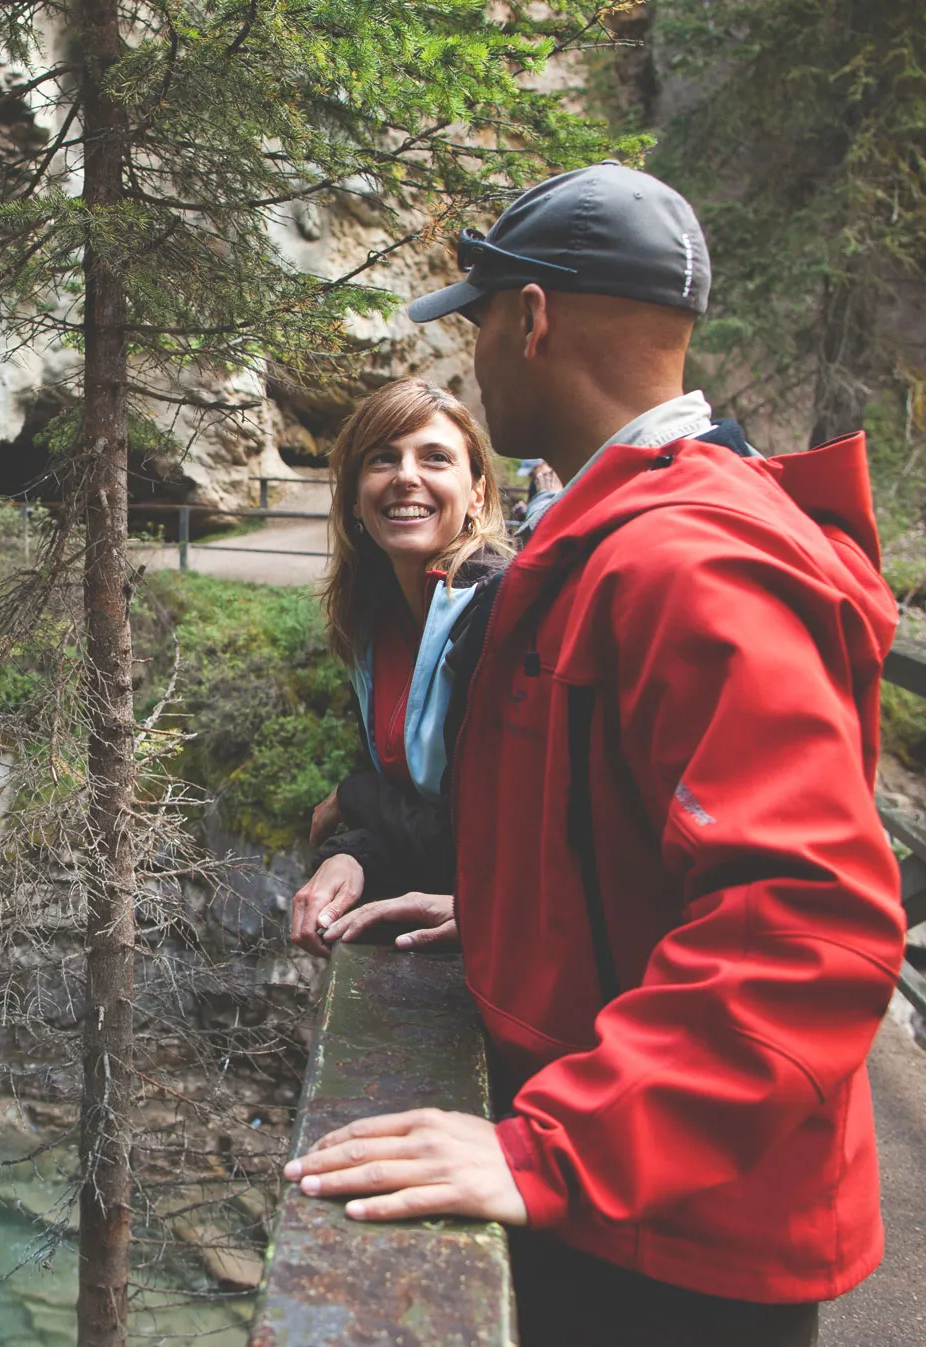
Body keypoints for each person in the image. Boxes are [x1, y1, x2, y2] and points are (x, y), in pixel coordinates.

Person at [284, 163, 905, 1347]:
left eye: (476, 322)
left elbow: (807, 925)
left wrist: (555, 1149)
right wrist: (517, 910)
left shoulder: (687, 562)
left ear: (531, 319)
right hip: (640, 1193)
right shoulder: (616, 536)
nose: (471, 356)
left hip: (671, 1235)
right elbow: (627, 827)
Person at [288, 379, 512, 956]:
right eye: (382, 458)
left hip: (508, 944)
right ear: (356, 498)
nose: (406, 476)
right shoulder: (373, 622)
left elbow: (466, 839)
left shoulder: (494, 614)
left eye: (435, 457)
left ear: (478, 494)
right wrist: (355, 851)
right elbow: (406, 793)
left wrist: (354, 795)